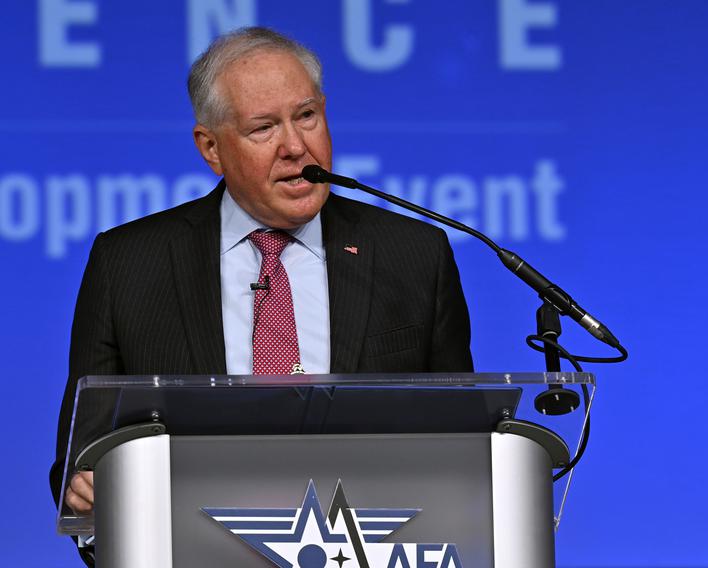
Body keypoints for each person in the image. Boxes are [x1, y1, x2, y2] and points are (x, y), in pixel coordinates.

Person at [51, 26, 473, 557]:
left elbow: (461, 444)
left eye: (306, 116)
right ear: (211, 148)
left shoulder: (414, 255)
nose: (296, 146)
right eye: (263, 128)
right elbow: (81, 460)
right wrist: (88, 494)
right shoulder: (128, 263)